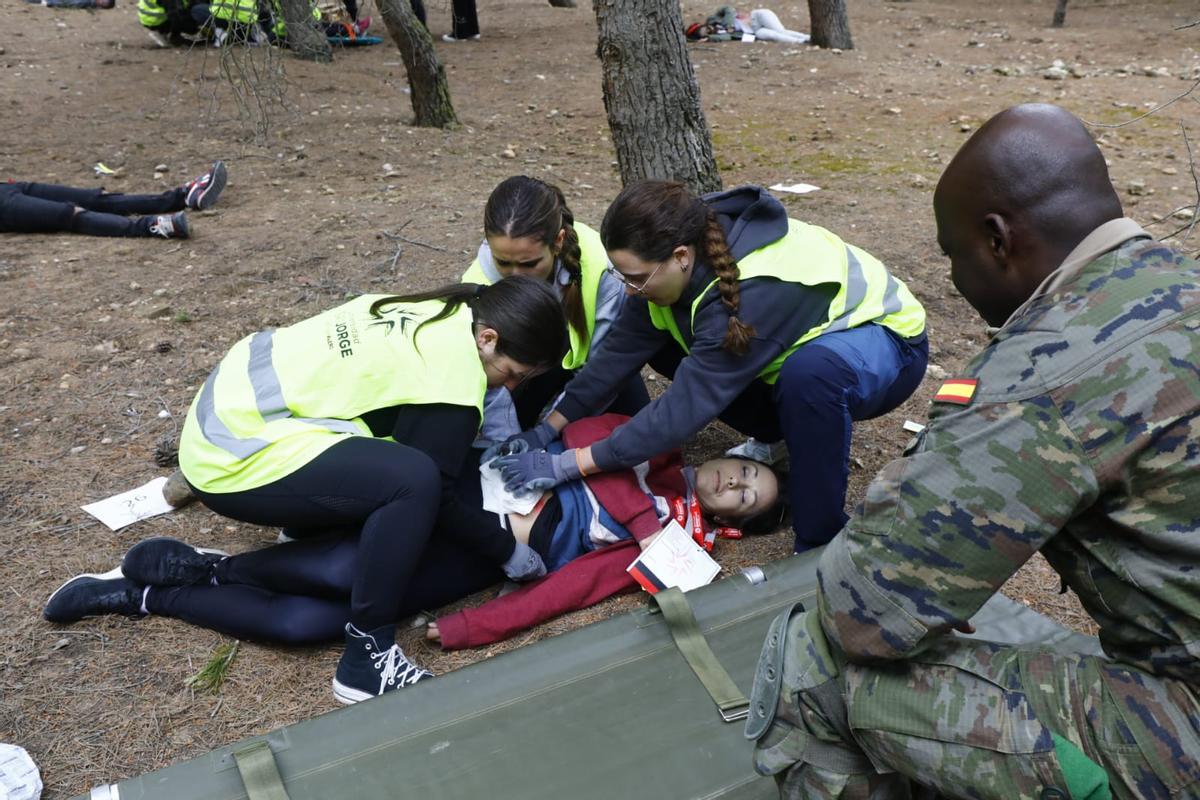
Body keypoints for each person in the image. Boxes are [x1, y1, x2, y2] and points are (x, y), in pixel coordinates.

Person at [743, 103, 1200, 799]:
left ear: (997, 240)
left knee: (811, 661)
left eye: (952, 255)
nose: (954, 280)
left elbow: (861, 612)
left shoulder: (1045, 371)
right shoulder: (1180, 281)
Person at [45, 276, 568, 705]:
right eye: (512, 372)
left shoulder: (433, 310)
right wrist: (507, 553)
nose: (509, 387)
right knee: (408, 487)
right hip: (238, 460)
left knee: (306, 620)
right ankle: (368, 654)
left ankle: (175, 583)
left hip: (230, 424)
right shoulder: (453, 379)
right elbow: (429, 487)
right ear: (489, 337)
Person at [43, 414, 784, 654]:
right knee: (342, 573)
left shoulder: (681, 555)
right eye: (746, 473)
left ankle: (158, 594)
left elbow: (569, 588)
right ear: (732, 457)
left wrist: (469, 630)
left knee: (315, 627)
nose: (738, 486)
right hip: (462, 499)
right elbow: (594, 433)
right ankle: (209, 571)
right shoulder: (656, 456)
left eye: (748, 502)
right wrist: (644, 517)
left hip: (488, 562)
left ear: (734, 523)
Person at [493, 181, 928, 552]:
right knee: (667, 344)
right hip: (793, 347)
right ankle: (780, 433)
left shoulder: (755, 292)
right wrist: (546, 429)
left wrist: (571, 464)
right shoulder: (672, 269)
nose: (628, 290)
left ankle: (820, 538)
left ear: (681, 256)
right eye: (622, 276)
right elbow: (612, 360)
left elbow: (685, 407)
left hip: (886, 346)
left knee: (809, 378)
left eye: (636, 278)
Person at [464, 176, 648, 437]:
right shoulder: (475, 286)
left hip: (589, 369)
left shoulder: (600, 265)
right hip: (522, 378)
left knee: (635, 427)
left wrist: (548, 430)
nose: (515, 275)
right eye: (503, 263)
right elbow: (491, 385)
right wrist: (506, 443)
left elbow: (603, 365)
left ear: (558, 241)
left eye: (529, 264)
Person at [0, 161, 225, 240]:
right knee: (69, 214)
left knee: (95, 199)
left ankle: (184, 196)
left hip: (7, 189)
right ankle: (154, 226)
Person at [139, 0, 212, 47]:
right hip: (157, 19)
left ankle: (172, 35)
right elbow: (176, 15)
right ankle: (168, 33)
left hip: (150, 16)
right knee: (184, 17)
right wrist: (195, 28)